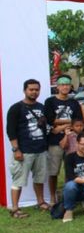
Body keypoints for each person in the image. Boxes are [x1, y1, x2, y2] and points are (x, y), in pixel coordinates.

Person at [7, 79, 49, 218]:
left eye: (36, 89)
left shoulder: (42, 107)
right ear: (25, 90)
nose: (34, 92)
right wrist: (16, 149)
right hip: (24, 150)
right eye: (31, 89)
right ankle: (15, 208)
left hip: (41, 149)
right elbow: (11, 131)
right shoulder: (16, 108)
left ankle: (41, 201)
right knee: (18, 180)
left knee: (39, 178)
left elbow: (45, 127)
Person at [44, 74, 84, 204]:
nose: (65, 87)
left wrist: (60, 127)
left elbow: (78, 121)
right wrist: (68, 123)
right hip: (54, 141)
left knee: (70, 170)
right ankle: (52, 197)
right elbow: (50, 119)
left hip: (72, 140)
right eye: (62, 84)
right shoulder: (50, 101)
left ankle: (69, 195)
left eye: (67, 84)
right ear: (57, 86)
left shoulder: (74, 102)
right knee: (53, 171)